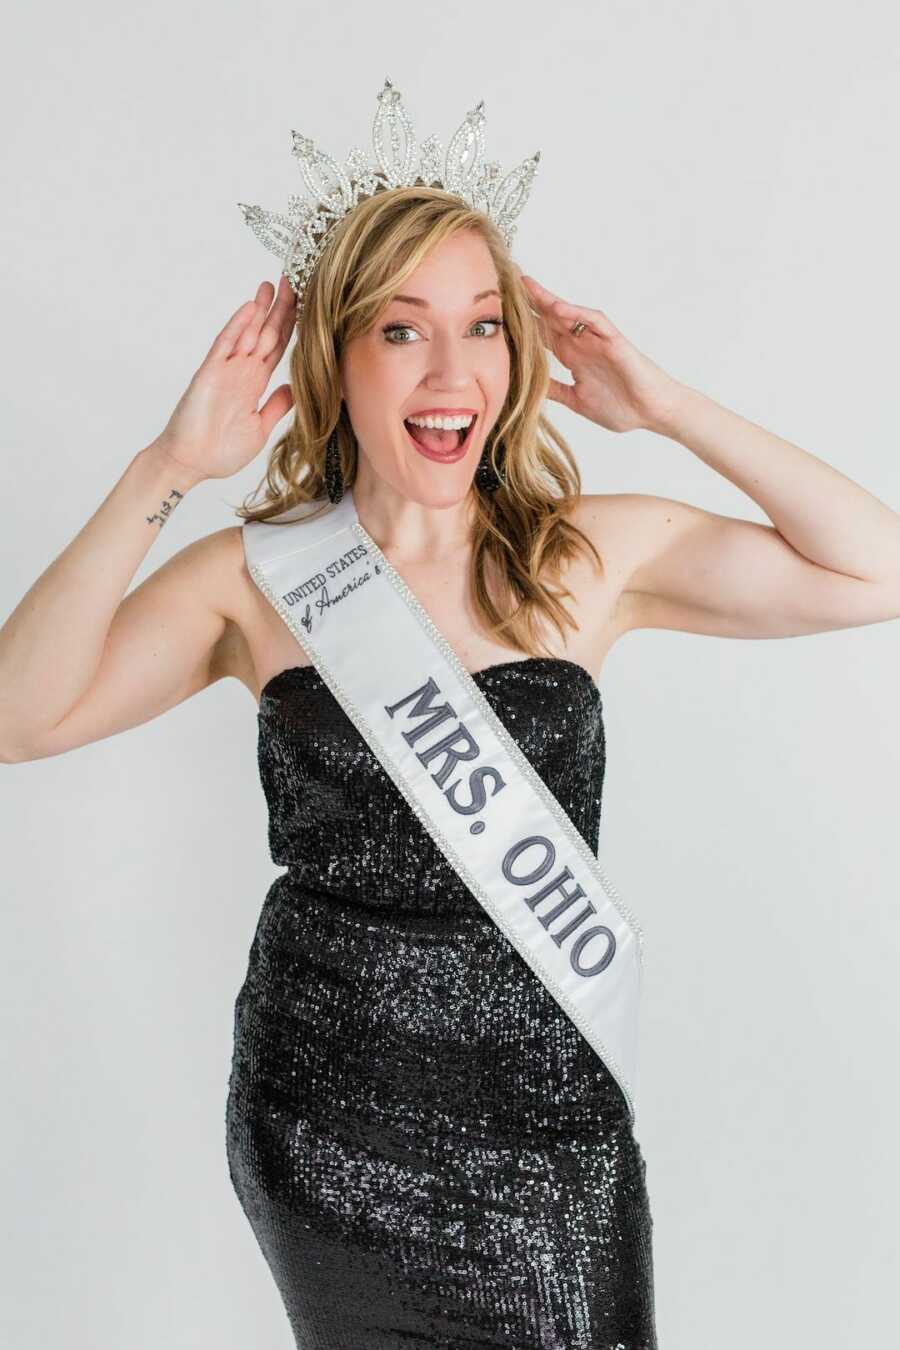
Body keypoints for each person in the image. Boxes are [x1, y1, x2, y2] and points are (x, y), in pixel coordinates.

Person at [4, 183, 900, 1350]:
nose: (450, 369)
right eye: (400, 327)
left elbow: (876, 571)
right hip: (329, 1123)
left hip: (550, 1130)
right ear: (338, 357)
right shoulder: (257, 578)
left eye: (483, 324)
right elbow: (20, 715)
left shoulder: (584, 557)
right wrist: (165, 466)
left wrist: (670, 408)